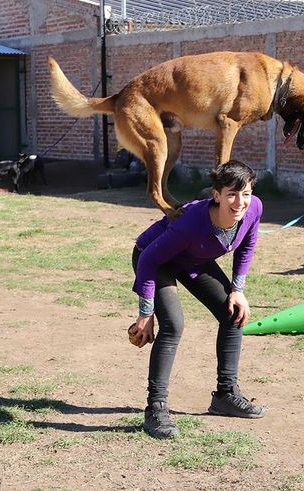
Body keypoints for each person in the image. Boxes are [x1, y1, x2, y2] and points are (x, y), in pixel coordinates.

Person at [129, 159, 266, 439]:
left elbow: (247, 244)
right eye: (231, 194)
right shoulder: (190, 222)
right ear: (217, 195)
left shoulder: (254, 208)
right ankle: (156, 408)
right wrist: (145, 313)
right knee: (173, 325)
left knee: (233, 313)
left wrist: (237, 289)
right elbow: (148, 259)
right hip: (156, 261)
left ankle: (225, 395)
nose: (240, 202)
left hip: (193, 259)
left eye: (245, 194)